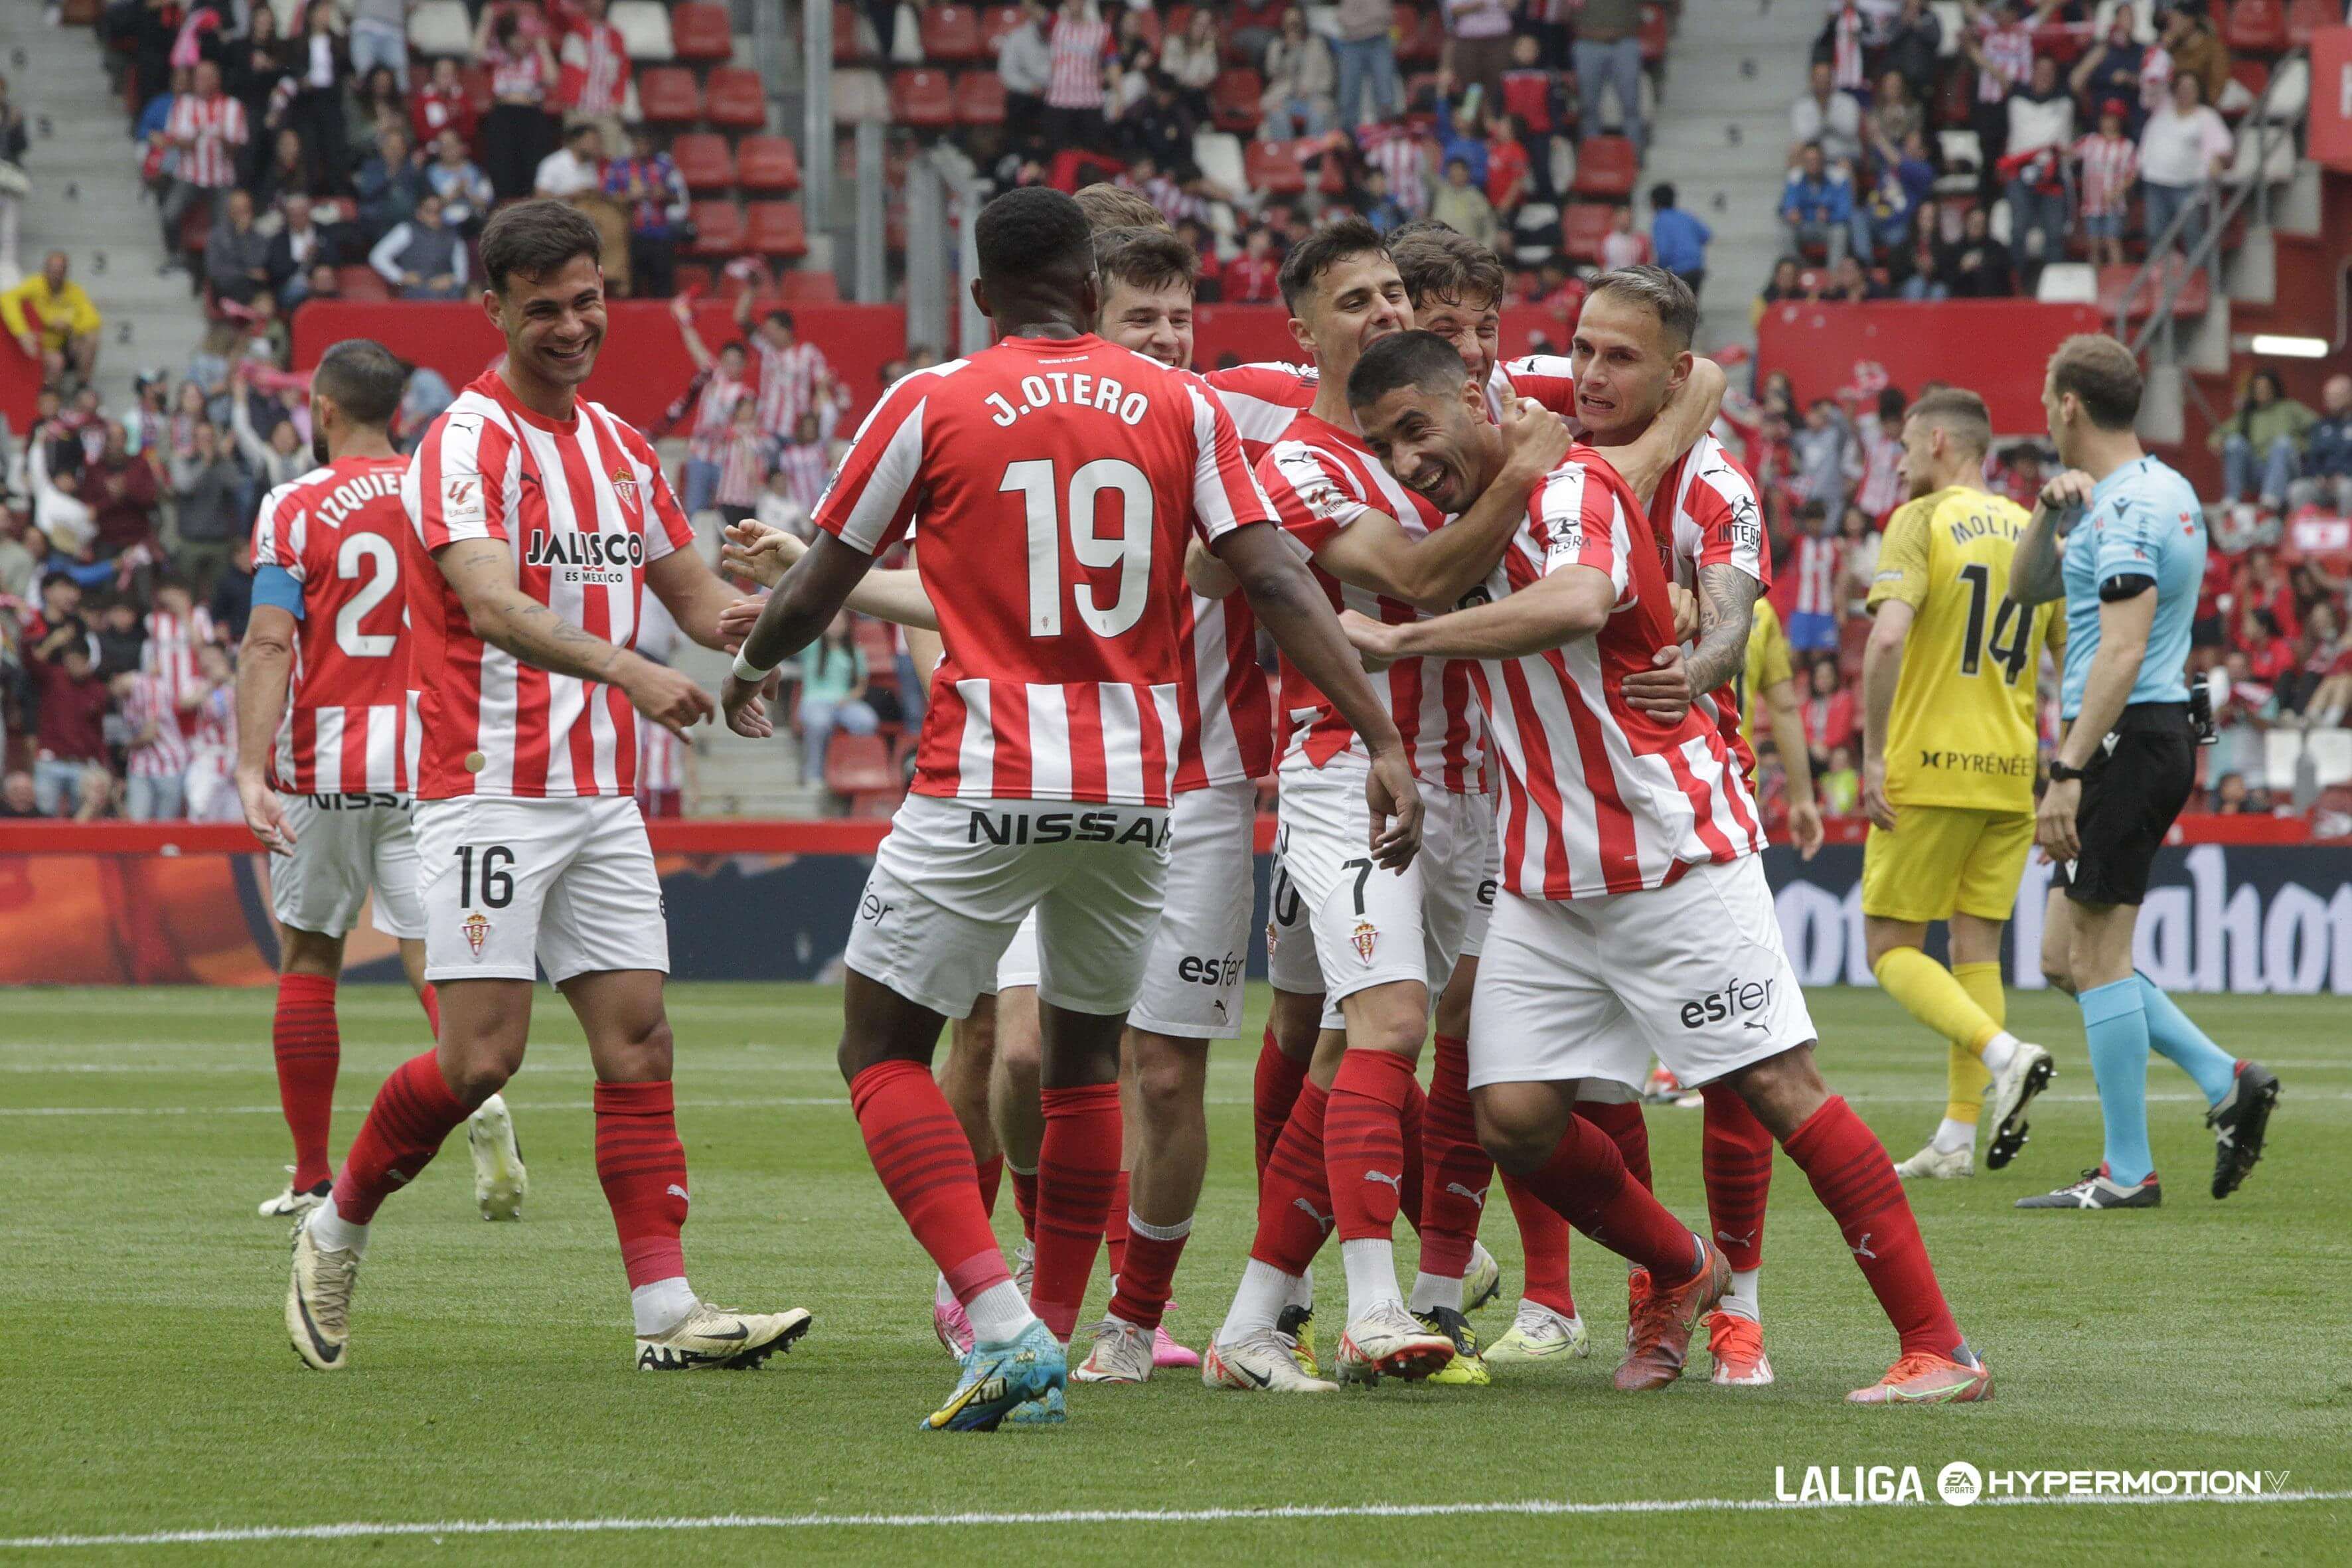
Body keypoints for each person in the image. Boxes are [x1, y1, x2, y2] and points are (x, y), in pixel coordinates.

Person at [718, 186, 1417, 1430]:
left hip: (983, 775)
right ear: (1092, 293)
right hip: (1141, 791)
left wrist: (755, 667)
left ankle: (997, 1321)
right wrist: (1377, 731)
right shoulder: (1183, 405)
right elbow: (1270, 575)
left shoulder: (929, 397)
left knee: (879, 1048)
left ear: (981, 297)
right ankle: (1049, 1323)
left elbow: (819, 580)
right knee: (1091, 1061)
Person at [1342, 328, 1994, 1403]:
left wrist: (1407, 643)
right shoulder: (1468, 517)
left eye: (1417, 429)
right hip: (1548, 877)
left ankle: (1938, 1346)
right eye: (1386, 446)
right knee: (1510, 1113)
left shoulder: (1569, 485)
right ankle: (1687, 1269)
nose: (1408, 461)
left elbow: (1579, 601)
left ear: (1476, 395)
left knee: (1778, 1087)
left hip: (1664, 852)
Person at [283, 202, 810, 1375]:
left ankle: (665, 1310)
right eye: (545, 309)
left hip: (599, 795)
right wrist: (635, 670)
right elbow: (493, 604)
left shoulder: (623, 448)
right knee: (481, 1058)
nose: (574, 326)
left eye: (588, 301)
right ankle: (335, 1224)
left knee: (639, 1041)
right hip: (486, 792)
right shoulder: (464, 446)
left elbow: (697, 605)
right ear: (493, 309)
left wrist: (774, 629)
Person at [1194, 226, 1720, 1393]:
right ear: (1306, 329)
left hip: (1482, 785)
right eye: (1355, 299)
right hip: (1352, 771)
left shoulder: (1474, 391)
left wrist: (1624, 474)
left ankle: (1262, 1318)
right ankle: (1380, 1308)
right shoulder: (1299, 464)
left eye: (1394, 292)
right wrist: (1533, 475)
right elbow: (1418, 581)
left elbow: (1701, 372)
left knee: (1374, 1049)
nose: (1384, 312)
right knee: (1379, 1024)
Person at [236, 337, 524, 1222]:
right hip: (430, 760)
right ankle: (483, 1092)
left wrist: (251, 769)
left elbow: (269, 639)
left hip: (325, 763)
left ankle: (312, 1172)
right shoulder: (438, 492)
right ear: (397, 409)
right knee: (427, 945)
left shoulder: (293, 505)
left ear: (322, 408)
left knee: (311, 953)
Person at [2007, 333, 2280, 1210]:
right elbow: (2023, 590)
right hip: (2140, 734)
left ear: (2066, 406)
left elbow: (2121, 650)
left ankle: (2126, 1170)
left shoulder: (2126, 510)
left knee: (2095, 953)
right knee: (2062, 954)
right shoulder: (2143, 491)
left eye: (2046, 397)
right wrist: (2050, 513)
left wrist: (2065, 768)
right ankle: (2221, 1077)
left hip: (2123, 735)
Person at [1857, 386, 2067, 1182]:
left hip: (1931, 764)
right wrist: (2060, 770)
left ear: (1941, 442)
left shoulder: (1921, 519)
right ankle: (1956, 1135)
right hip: (2012, 770)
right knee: (1976, 945)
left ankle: (2005, 1052)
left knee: (1889, 947)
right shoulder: (2031, 524)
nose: (1903, 462)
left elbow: (1886, 640)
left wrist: (1875, 756)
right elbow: (2064, 655)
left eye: (1908, 446)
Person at [159, 59, 249, 276]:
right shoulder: (183, 105)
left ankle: (219, 267)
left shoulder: (232, 106)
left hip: (221, 177)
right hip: (189, 174)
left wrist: (223, 139)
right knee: (169, 214)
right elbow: (174, 140)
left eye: (205, 77)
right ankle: (175, 256)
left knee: (224, 226)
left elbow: (237, 148)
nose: (200, 81)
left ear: (216, 80)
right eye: (198, 77)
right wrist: (193, 138)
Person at [2137, 70, 2229, 260]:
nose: (2185, 92)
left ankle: (2199, 282)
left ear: (2198, 91)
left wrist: (2216, 159)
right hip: (2156, 182)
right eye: (2182, 87)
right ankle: (2158, 281)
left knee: (2192, 235)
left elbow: (2222, 146)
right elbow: (2150, 87)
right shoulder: (2162, 108)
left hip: (2187, 186)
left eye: (2191, 88)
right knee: (2155, 234)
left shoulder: (2206, 116)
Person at [2210, 368, 2315, 510]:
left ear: (2274, 389)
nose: (2262, 392)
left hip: (2287, 468)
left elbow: (2320, 429)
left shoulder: (2289, 408)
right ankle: (2232, 498)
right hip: (2258, 470)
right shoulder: (2247, 415)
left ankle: (2271, 499)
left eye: (2266, 388)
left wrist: (2301, 446)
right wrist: (2217, 440)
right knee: (2234, 443)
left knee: (2282, 443)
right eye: (2258, 389)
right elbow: (2219, 434)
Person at [793, 613, 878, 789]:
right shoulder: (811, 647)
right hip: (816, 701)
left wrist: (848, 699)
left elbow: (861, 686)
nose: (835, 626)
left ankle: (850, 769)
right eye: (831, 621)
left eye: (839, 622)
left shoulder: (855, 652)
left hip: (845, 703)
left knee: (867, 721)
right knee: (819, 723)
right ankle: (813, 774)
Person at [603, 125, 688, 299]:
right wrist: (629, 197)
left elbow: (678, 197)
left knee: (662, 286)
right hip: (630, 235)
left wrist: (665, 194)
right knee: (632, 286)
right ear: (633, 144)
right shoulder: (619, 167)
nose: (644, 147)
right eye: (640, 143)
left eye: (647, 143)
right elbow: (607, 199)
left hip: (661, 234)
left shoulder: (665, 165)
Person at [2, 251, 103, 386]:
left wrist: (70, 325)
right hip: (38, 345)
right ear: (45, 270)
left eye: (60, 270)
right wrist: (22, 333)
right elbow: (7, 298)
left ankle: (82, 385)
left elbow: (93, 320)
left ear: (66, 272)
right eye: (52, 270)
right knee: (56, 361)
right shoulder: (34, 285)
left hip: (64, 344)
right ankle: (50, 396)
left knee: (92, 337)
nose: (56, 275)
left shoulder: (74, 292)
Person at [1573, 0, 1648, 154]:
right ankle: (1592, 155)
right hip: (1588, 42)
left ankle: (1634, 156)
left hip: (1624, 42)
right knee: (1588, 106)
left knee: (1631, 105)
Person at [2075, 98, 2138, 270]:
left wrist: (2118, 190)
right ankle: (2095, 282)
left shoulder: (2127, 146)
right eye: (2106, 118)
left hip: (2114, 203)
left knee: (2112, 241)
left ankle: (2116, 283)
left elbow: (2132, 173)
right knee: (2094, 244)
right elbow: (2071, 153)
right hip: (2092, 203)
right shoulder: (2090, 141)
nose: (2109, 122)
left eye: (2113, 118)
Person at [368, 191, 469, 300]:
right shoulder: (406, 231)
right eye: (429, 211)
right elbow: (377, 256)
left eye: (438, 211)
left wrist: (450, 279)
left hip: (446, 290)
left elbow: (462, 275)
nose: (434, 216)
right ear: (419, 213)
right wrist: (400, 276)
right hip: (416, 290)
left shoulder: (453, 236)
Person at [1259, 7, 1336, 138]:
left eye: (1296, 23)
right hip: (1283, 98)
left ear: (1303, 23)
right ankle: (1285, 156)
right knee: (1277, 115)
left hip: (1315, 97)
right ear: (1283, 25)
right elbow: (1271, 71)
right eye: (1289, 24)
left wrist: (1311, 90)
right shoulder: (1277, 46)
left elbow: (1328, 76)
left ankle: (1312, 156)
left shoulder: (1316, 44)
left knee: (1319, 115)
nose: (1293, 28)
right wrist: (1287, 50)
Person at [1780, 142, 1855, 266]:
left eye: (1816, 160)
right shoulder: (1795, 177)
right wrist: (1792, 213)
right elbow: (1788, 205)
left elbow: (1846, 211)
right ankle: (1794, 270)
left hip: (1829, 227)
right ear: (1803, 162)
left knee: (1840, 231)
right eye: (1809, 161)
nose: (1813, 164)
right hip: (1805, 226)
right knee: (1786, 228)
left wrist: (1830, 216)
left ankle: (1834, 277)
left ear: (1823, 160)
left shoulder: (1838, 177)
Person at [1331, 0, 1402, 128]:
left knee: (1385, 96)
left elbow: (1385, 16)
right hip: (1351, 42)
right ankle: (1349, 142)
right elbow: (1341, 17)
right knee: (1348, 98)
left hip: (1379, 40)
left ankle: (1385, 139)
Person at [2289, 373, 2352, 516]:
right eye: (2328, 396)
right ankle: (2308, 535)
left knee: (2348, 489)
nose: (2330, 400)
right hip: (2323, 484)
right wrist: (2318, 476)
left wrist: (2344, 475)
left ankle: (2346, 535)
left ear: (2349, 396)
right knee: (2298, 489)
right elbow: (2312, 458)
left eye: (2336, 395)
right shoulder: (2320, 427)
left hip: (2347, 481)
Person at [1790, 59, 1863, 171]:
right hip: (1814, 156)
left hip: (1843, 154)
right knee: (1795, 153)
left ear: (1832, 79)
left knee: (1844, 166)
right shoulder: (1802, 105)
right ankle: (1797, 188)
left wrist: (1828, 116)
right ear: (1812, 80)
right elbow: (1803, 136)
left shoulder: (1847, 101)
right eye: (1819, 77)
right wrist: (1822, 121)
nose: (1822, 81)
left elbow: (1850, 131)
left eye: (1826, 77)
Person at [1648, 183, 1711, 301]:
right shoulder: (1686, 216)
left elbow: (1663, 252)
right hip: (1696, 269)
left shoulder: (1660, 220)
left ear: (1655, 202)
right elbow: (1706, 235)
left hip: (1678, 271)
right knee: (1692, 304)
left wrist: (1658, 272)